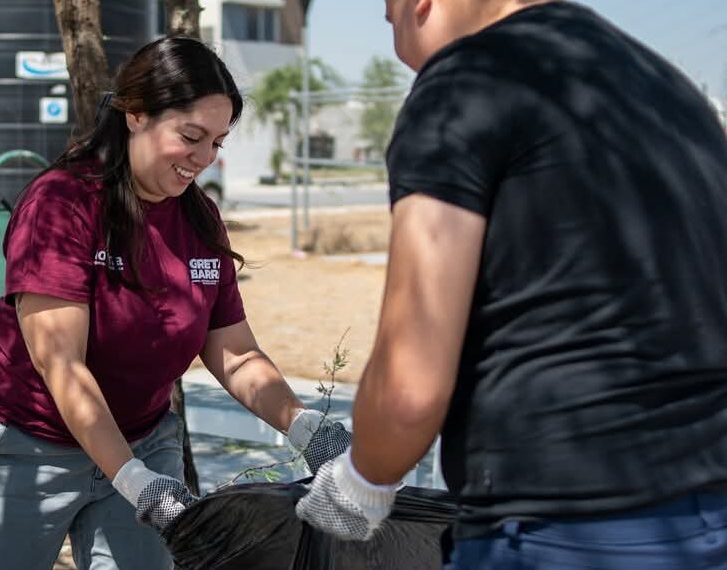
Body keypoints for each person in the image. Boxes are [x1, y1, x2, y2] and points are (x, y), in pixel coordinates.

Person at [296, 0, 727, 568]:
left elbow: (409, 387)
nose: (390, 29)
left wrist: (357, 486)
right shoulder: (668, 90)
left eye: (388, 12)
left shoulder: (465, 82)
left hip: (561, 527)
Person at [0, 36, 347, 570]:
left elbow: (235, 353)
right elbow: (61, 365)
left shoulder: (198, 219)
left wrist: (304, 426)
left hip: (144, 439)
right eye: (191, 136)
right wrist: (133, 480)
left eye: (218, 144)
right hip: (26, 447)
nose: (203, 159)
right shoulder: (62, 205)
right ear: (136, 115)